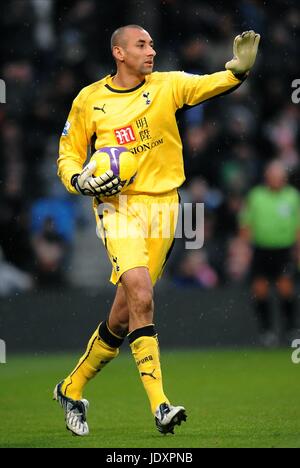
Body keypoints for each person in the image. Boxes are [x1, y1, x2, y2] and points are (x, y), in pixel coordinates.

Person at [54, 25, 260, 436]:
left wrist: (238, 70)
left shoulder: (167, 86)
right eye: (141, 45)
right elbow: (69, 155)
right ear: (119, 52)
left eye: (151, 44)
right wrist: (78, 181)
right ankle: (161, 406)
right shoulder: (89, 100)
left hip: (166, 208)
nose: (151, 51)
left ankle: (70, 388)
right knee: (143, 297)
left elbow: (208, 84)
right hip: (119, 208)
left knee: (124, 314)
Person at [239, 160, 300, 347]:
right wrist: (245, 249)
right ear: (267, 178)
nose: (277, 180)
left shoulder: (293, 196)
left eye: (280, 177)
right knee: (260, 290)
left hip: (284, 250)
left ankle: (290, 329)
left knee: (286, 288)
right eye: (274, 177)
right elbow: (246, 223)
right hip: (261, 250)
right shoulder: (256, 196)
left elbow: (298, 225)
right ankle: (267, 331)